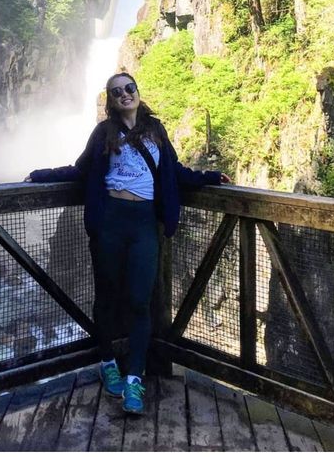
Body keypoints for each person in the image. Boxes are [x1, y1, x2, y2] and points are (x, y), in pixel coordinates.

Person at [27, 73, 230, 415]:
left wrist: (209, 177)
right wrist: (41, 174)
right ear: (110, 100)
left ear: (138, 91)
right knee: (107, 296)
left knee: (139, 301)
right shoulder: (104, 133)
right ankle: (108, 360)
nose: (124, 94)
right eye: (116, 91)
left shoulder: (156, 131)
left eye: (129, 88)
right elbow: (81, 170)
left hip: (144, 225)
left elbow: (174, 172)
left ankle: (134, 378)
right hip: (110, 222)